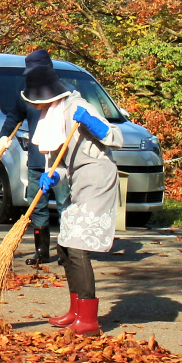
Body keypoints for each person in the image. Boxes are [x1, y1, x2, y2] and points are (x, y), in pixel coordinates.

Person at [25, 55, 124, 336]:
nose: (33, 106)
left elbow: (117, 137)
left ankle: (89, 320)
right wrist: (53, 176)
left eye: (35, 100)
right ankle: (76, 309)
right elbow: (58, 162)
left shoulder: (77, 106)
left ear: (47, 95)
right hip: (77, 182)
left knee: (78, 245)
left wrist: (97, 126)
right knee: (64, 246)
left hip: (97, 179)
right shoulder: (50, 117)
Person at [0, 49, 63, 265]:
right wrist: (4, 136)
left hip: (61, 161)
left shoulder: (66, 94)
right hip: (37, 159)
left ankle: (67, 251)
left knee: (65, 204)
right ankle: (42, 251)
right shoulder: (26, 95)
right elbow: (13, 117)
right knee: (37, 205)